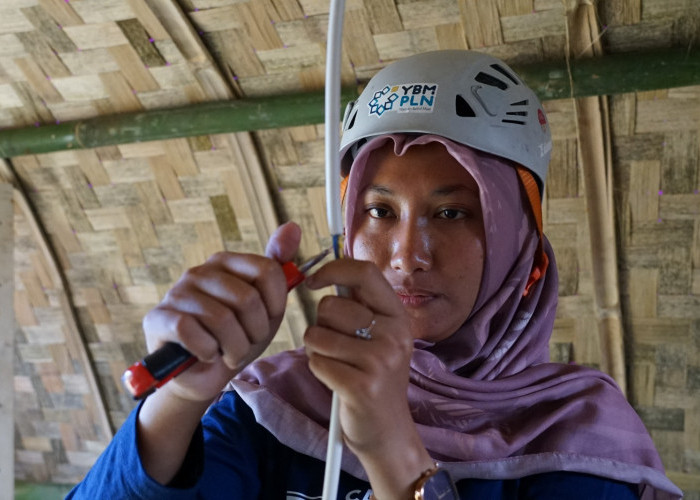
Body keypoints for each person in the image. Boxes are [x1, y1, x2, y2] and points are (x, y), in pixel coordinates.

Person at [67, 50, 682, 499]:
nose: (407, 256)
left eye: (451, 213)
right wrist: (178, 400)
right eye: (380, 211)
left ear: (521, 251)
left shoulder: (579, 438)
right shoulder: (275, 407)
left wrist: (392, 450)